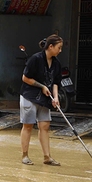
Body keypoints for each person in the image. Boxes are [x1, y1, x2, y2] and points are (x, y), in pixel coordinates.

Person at [20, 34, 63, 166]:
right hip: (30, 96)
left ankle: (47, 157)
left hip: (45, 98)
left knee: (45, 126)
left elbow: (55, 82)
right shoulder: (35, 59)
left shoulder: (56, 64)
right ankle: (25, 155)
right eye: (59, 47)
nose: (60, 51)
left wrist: (55, 97)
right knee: (28, 125)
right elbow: (25, 78)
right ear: (50, 46)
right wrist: (42, 86)